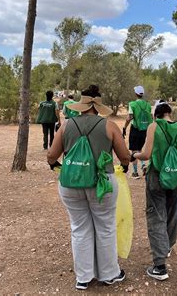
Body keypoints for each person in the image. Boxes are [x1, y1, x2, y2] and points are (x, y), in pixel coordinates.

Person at [47, 85, 130, 290]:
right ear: (98, 105)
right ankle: (110, 274)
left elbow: (51, 155)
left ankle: (83, 277)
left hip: (71, 184)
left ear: (81, 105)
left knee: (79, 228)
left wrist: (55, 165)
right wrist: (126, 166)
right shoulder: (109, 126)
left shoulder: (67, 125)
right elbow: (125, 156)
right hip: (101, 184)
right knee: (105, 227)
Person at [131, 100, 177, 281]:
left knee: (156, 215)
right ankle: (168, 246)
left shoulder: (154, 127)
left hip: (157, 175)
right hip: (176, 176)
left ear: (155, 114)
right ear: (169, 113)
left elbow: (146, 154)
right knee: (173, 213)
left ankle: (159, 266)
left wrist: (134, 155)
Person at [123, 85, 153, 179]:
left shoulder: (132, 104)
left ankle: (135, 173)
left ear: (135, 94)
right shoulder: (147, 104)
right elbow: (151, 117)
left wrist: (124, 127)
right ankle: (143, 165)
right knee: (139, 149)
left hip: (135, 129)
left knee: (134, 151)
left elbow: (130, 117)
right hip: (144, 130)